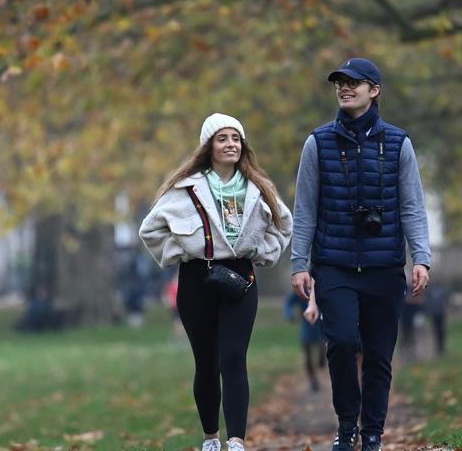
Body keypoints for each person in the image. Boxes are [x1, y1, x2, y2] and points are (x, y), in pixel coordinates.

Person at [290, 58, 432, 451]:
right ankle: (346, 425)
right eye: (340, 82)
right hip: (334, 265)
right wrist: (299, 263)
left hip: (384, 267)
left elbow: (413, 207)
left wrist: (420, 257)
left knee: (378, 356)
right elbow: (305, 208)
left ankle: (372, 434)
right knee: (338, 341)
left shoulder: (399, 144)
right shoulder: (317, 143)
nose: (345, 87)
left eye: (354, 82)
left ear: (375, 90)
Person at [140, 113, 293, 451]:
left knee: (234, 358)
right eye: (222, 138)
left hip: (241, 277)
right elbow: (150, 229)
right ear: (209, 145)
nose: (231, 145)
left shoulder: (257, 188)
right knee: (206, 361)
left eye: (236, 138)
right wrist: (181, 249)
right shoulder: (185, 189)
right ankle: (211, 438)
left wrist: (265, 253)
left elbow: (284, 224)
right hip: (197, 278)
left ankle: (236, 440)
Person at [285, 289, 326, 391]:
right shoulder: (301, 289)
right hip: (307, 326)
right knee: (308, 355)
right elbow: (289, 302)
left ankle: (322, 359)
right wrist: (289, 313)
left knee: (322, 351)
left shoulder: (321, 284)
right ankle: (313, 380)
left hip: (320, 325)